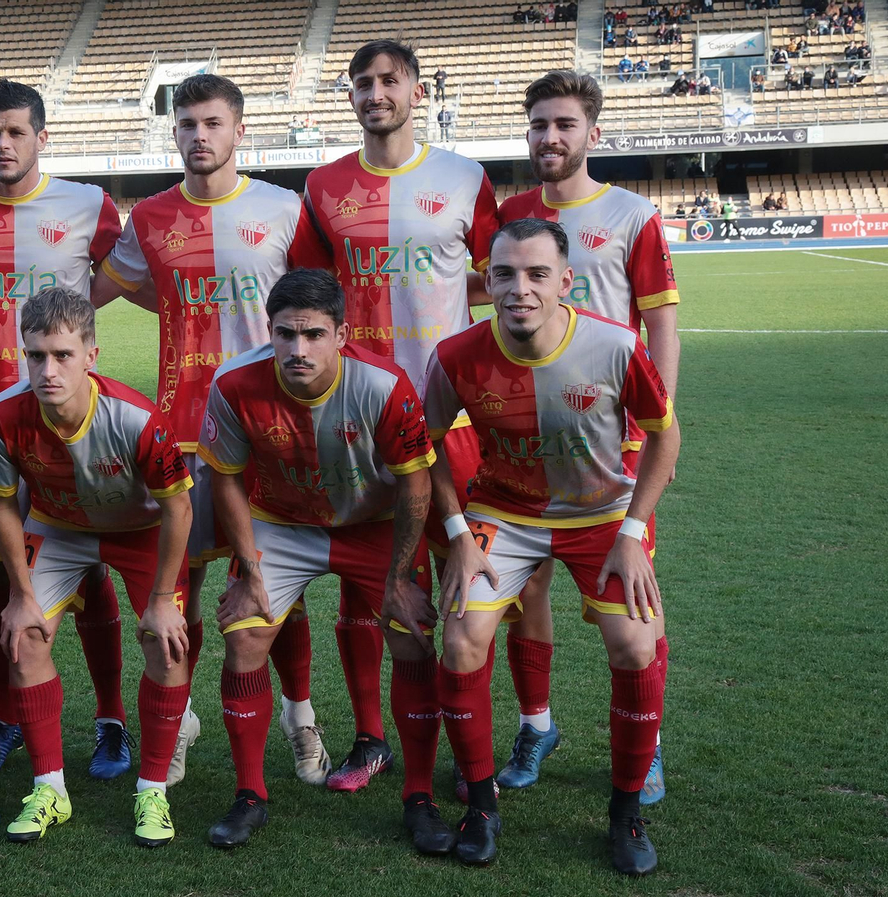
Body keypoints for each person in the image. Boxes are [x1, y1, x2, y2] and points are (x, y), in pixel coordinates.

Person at [89, 73, 331, 787]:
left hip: (272, 433)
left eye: (213, 123)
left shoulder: (284, 209)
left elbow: (315, 306)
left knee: (275, 589)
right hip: (184, 431)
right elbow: (110, 284)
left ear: (238, 129)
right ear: (175, 132)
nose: (200, 135)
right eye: (187, 123)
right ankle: (183, 714)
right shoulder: (152, 217)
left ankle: (299, 714)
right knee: (181, 589)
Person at [429, 218, 679, 874]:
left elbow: (664, 436)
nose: (519, 288)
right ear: (488, 280)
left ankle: (626, 811)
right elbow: (424, 447)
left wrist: (631, 532)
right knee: (460, 637)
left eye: (538, 273)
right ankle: (480, 806)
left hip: (602, 514)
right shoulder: (456, 355)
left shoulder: (616, 344)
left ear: (566, 281)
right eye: (505, 274)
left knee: (635, 641)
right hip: (503, 514)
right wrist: (457, 533)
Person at [289, 38, 500, 794]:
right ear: (349, 96)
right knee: (367, 590)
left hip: (454, 421)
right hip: (359, 423)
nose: (376, 92)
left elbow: (496, 275)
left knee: (465, 588)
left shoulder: (464, 178)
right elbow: (310, 292)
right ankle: (373, 737)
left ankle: (467, 743)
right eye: (362, 82)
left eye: (389, 80)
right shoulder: (323, 186)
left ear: (416, 90)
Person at [0, 78, 133, 778]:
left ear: (42, 136)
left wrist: (70, 326)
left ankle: (111, 720)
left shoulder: (89, 205)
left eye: (15, 132)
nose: (3, 144)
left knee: (87, 564)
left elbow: (112, 282)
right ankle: (9, 714)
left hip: (67, 415)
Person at [197, 268, 444, 853]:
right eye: (285, 334)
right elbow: (226, 480)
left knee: (411, 634)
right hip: (283, 524)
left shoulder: (384, 384)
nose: (297, 349)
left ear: (342, 333)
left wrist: (402, 576)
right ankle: (250, 796)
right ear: (270, 332)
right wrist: (250, 572)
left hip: (375, 523)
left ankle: (419, 796)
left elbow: (415, 483)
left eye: (312, 335)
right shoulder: (234, 383)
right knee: (244, 635)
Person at [488, 71, 680, 806]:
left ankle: (646, 743)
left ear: (592, 133)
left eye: (564, 124)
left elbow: (659, 320)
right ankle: (536, 725)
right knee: (522, 590)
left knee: (627, 605)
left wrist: (655, 422)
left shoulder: (632, 215)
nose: (550, 138)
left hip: (610, 443)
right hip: (523, 440)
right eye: (538, 124)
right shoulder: (510, 213)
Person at [0, 288, 194, 846]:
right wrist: (22, 595)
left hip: (140, 532)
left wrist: (163, 598)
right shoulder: (2, 415)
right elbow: (0, 503)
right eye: (35, 356)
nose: (47, 370)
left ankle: (153, 792)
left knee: (163, 641)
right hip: (59, 527)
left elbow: (178, 507)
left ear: (91, 356)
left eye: (62, 355)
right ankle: (50, 788)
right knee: (24, 637)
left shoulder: (137, 417)